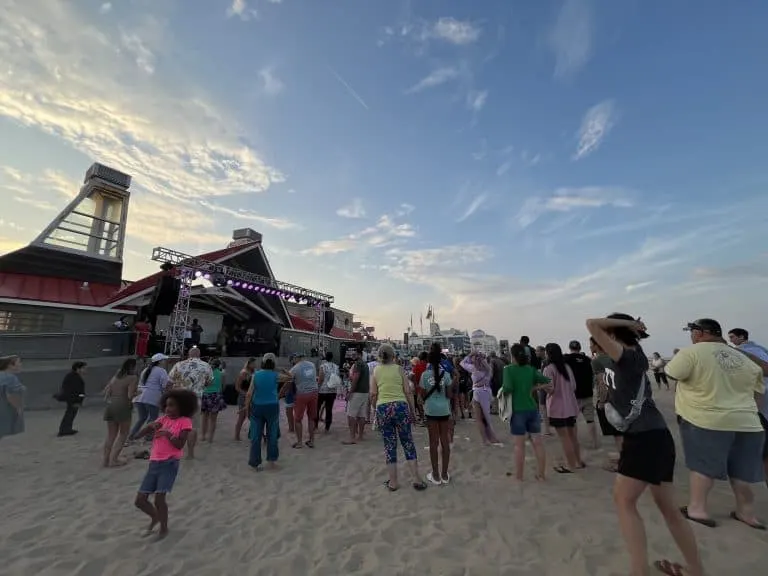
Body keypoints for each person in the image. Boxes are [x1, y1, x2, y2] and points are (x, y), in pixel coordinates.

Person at [587, 313, 703, 576]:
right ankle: (695, 569)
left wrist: (626, 325)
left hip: (644, 438)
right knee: (668, 509)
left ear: (614, 334)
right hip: (655, 435)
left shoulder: (628, 356)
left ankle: (639, 570)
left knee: (623, 501)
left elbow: (592, 324)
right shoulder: (631, 352)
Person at [666, 319, 765, 530]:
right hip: (748, 423)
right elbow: (758, 391)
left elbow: (672, 373)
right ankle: (747, 513)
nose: (691, 336)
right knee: (742, 472)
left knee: (703, 467)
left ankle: (697, 510)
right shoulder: (745, 358)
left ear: (701, 333)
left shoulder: (691, 352)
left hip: (706, 420)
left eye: (692, 332)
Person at [134, 389, 198, 541]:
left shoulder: (185, 422)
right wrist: (146, 429)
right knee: (140, 501)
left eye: (172, 406)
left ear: (182, 407)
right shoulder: (163, 419)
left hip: (169, 463)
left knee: (159, 499)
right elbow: (143, 432)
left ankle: (164, 528)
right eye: (167, 405)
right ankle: (156, 518)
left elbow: (179, 445)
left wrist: (168, 434)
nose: (168, 409)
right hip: (154, 462)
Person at [372, 343, 427, 491]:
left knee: (390, 445)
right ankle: (416, 479)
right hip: (400, 406)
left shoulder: (376, 370)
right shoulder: (399, 369)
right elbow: (408, 391)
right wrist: (412, 411)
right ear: (393, 356)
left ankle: (393, 482)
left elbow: (373, 393)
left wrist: (375, 408)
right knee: (407, 442)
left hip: (383, 407)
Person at [502, 344, 550, 481]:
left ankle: (519, 477)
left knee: (519, 445)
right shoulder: (531, 369)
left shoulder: (508, 370)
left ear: (512, 356)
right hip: (532, 409)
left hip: (517, 411)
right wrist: (535, 388)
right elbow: (548, 381)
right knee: (538, 442)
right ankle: (541, 475)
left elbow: (507, 388)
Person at [727, 327, 768, 485]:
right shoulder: (761, 349)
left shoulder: (745, 352)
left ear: (742, 336)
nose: (731, 340)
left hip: (758, 406)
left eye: (732, 337)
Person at [542, 344, 582, 473]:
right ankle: (578, 462)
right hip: (570, 406)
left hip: (557, 408)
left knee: (564, 438)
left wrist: (540, 385)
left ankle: (570, 465)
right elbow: (574, 386)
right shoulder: (567, 367)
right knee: (572, 436)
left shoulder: (549, 369)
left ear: (548, 354)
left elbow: (550, 389)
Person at [168, 347, 212, 459]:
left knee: (175, 424)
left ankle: (173, 451)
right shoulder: (206, 366)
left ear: (188, 354)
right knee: (192, 427)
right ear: (199, 354)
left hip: (178, 398)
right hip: (194, 398)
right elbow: (208, 383)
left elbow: (170, 380)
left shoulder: (178, 365)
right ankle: (190, 453)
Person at [420, 343, 454, 485]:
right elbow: (449, 394)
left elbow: (422, 395)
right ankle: (445, 474)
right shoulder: (446, 375)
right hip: (444, 410)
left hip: (431, 410)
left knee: (433, 442)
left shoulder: (424, 375)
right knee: (445, 442)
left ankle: (435, 474)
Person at [591, 337, 623, 472]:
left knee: (617, 434)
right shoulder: (614, 357)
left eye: (591, 344)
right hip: (623, 398)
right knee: (623, 431)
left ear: (597, 346)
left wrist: (602, 401)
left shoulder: (597, 361)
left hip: (610, 400)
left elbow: (602, 383)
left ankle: (623, 463)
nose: (590, 347)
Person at [246, 353, 280, 470]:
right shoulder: (276, 375)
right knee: (272, 434)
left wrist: (247, 408)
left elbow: (249, 393)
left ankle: (255, 463)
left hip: (257, 407)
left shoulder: (256, 375)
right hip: (272, 407)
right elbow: (291, 377)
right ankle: (271, 461)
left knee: (255, 436)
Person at [460, 351, 502, 446]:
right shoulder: (488, 370)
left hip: (477, 392)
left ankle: (485, 439)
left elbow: (462, 363)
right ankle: (492, 437)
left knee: (479, 418)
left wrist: (470, 354)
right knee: (486, 417)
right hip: (486, 391)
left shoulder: (473, 369)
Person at [103, 358, 138, 467]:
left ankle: (106, 460)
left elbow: (106, 392)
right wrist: (138, 392)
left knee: (111, 435)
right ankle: (114, 460)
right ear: (132, 367)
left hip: (111, 404)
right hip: (123, 405)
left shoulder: (116, 376)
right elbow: (129, 395)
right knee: (123, 434)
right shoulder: (132, 378)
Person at [565, 340, 599, 450]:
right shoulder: (587, 360)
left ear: (570, 348)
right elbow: (593, 376)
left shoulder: (566, 359)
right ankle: (594, 442)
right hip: (587, 393)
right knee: (590, 420)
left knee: (572, 420)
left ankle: (575, 443)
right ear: (580, 348)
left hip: (573, 395)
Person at [129, 353, 170, 441]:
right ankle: (148, 436)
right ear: (160, 361)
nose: (165, 361)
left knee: (142, 418)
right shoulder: (161, 371)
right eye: (164, 360)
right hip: (152, 396)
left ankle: (132, 435)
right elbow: (164, 385)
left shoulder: (146, 370)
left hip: (140, 396)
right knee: (153, 418)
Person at [287, 353, 318, 449]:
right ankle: (311, 441)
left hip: (301, 394)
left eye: (293, 359)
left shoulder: (294, 368)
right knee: (311, 418)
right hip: (314, 393)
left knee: (298, 419)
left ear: (296, 358)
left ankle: (299, 443)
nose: (292, 361)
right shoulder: (312, 365)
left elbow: (288, 380)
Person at [344, 350, 370, 445]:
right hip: (365, 392)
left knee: (351, 415)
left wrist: (350, 392)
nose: (352, 355)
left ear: (360, 355)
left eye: (355, 354)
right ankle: (360, 436)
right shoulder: (365, 365)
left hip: (357, 392)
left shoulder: (358, 364)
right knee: (361, 415)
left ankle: (352, 438)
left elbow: (356, 378)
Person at [57, 361, 87, 437]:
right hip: (73, 400)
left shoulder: (72, 376)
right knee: (70, 414)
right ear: (78, 369)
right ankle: (65, 429)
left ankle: (66, 429)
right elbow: (77, 390)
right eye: (83, 368)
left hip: (72, 399)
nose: (85, 370)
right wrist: (78, 400)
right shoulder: (74, 377)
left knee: (70, 414)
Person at [200, 358, 227, 443]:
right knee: (213, 419)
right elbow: (223, 387)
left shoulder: (205, 373)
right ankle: (210, 438)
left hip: (205, 394)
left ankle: (203, 436)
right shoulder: (222, 374)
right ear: (219, 365)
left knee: (204, 417)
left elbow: (202, 384)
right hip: (216, 395)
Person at [0, 355, 25, 441]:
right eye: (19, 362)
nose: (21, 364)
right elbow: (11, 396)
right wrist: (18, 408)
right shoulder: (10, 378)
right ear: (10, 365)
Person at [234, 357, 257, 441]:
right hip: (243, 397)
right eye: (253, 363)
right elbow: (237, 387)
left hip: (252, 396)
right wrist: (246, 394)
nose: (255, 365)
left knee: (253, 417)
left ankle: (255, 435)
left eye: (255, 363)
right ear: (249, 364)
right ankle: (236, 435)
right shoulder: (243, 373)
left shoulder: (254, 372)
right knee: (242, 417)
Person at [317, 351, 339, 433]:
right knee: (329, 409)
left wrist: (317, 387)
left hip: (323, 390)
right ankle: (327, 427)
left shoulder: (323, 366)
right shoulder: (336, 367)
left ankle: (315, 426)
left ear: (325, 357)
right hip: (332, 390)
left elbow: (321, 379)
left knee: (317, 408)